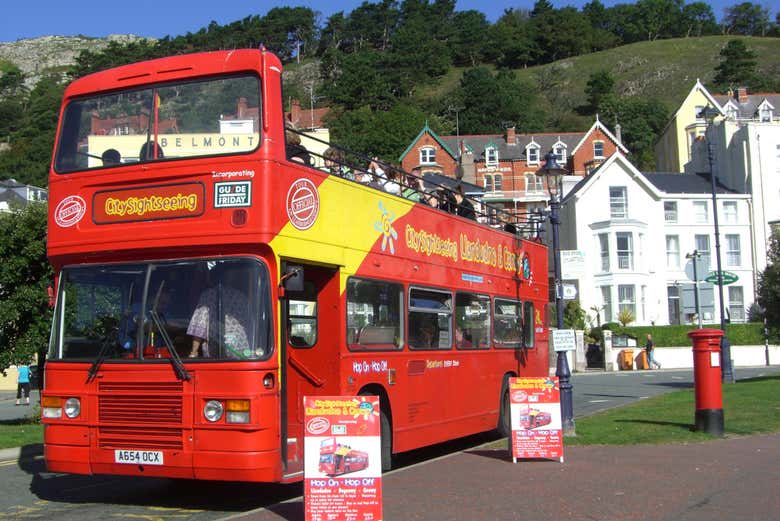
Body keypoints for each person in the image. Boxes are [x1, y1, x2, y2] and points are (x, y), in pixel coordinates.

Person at [187, 269, 251, 358]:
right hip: (240, 348)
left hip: (216, 348)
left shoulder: (207, 295)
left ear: (212, 279)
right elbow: (250, 323)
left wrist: (194, 352)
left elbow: (199, 326)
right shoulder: (241, 296)